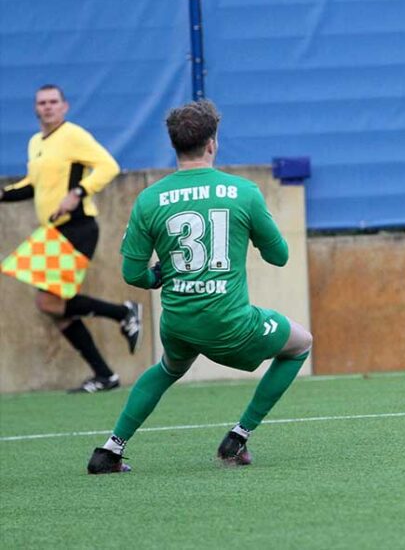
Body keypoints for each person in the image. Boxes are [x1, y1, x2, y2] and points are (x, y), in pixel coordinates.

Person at [87, 99, 312, 474]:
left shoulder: (150, 199)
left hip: (177, 323)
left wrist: (157, 276)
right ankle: (238, 436)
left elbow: (133, 274)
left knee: (168, 368)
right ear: (212, 143)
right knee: (300, 343)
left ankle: (110, 449)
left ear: (174, 145)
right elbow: (279, 257)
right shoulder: (244, 192)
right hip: (230, 325)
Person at [0, 84, 142, 393]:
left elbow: (109, 166)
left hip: (78, 227)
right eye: (42, 103)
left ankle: (124, 313)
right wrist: (4, 194)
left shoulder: (73, 135)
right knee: (52, 307)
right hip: (53, 231)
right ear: (36, 108)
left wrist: (78, 193)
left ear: (64, 106)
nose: (48, 107)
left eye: (53, 102)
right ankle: (105, 374)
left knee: (49, 301)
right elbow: (32, 184)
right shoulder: (36, 141)